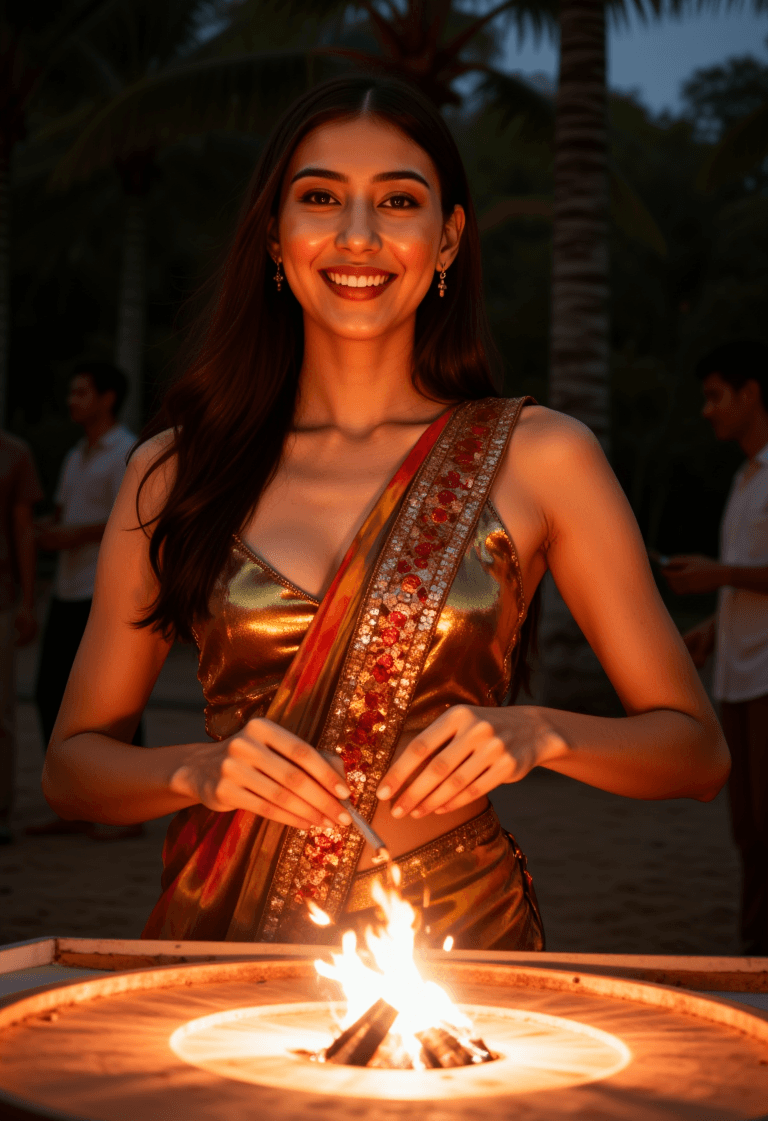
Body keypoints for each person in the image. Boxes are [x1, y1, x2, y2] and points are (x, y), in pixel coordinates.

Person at [41, 78, 729, 949]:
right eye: (321, 197)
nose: (358, 235)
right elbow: (72, 770)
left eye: (398, 201)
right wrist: (199, 770)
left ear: (448, 238)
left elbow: (696, 755)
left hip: (459, 949)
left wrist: (540, 732)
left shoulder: (541, 457)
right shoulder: (177, 471)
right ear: (273, 234)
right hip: (224, 943)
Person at [662, 340, 768, 955]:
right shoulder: (746, 476)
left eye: (715, 396)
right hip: (740, 672)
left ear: (750, 393)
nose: (707, 411)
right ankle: (754, 949)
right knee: (749, 827)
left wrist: (719, 575)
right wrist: (713, 625)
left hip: (766, 677)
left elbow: (743, 573)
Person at [31, 362, 137, 837]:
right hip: (66, 588)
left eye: (81, 393)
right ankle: (73, 802)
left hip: (103, 592)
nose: (72, 401)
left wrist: (72, 536)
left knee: (117, 702)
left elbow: (130, 519)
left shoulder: (126, 452)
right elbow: (62, 511)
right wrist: (45, 530)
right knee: (50, 692)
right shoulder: (77, 454)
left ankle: (127, 809)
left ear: (107, 398)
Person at [0, 432, 43, 844]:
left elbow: (22, 528)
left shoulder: (13, 453)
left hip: (0, 596)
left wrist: (27, 602)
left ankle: (0, 808)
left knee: (1, 711)